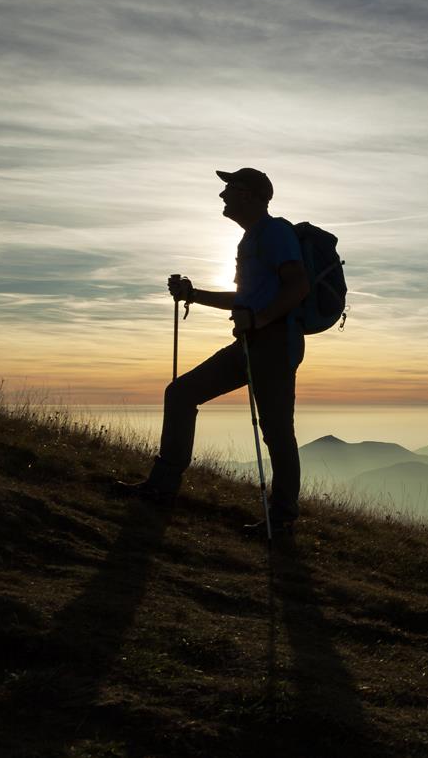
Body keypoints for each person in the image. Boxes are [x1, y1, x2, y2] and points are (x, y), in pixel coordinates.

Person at [117, 168, 310, 535]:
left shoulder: (277, 232)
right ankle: (162, 487)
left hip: (274, 343)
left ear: (251, 196)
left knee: (276, 431)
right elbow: (244, 299)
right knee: (181, 393)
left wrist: (262, 319)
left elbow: (298, 285)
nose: (222, 196)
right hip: (251, 343)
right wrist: (194, 295)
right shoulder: (250, 240)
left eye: (229, 189)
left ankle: (282, 519)